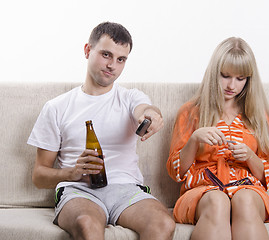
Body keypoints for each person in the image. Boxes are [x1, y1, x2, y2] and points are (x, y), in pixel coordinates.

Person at [28, 22, 175, 240]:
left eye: (121, 59)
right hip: (77, 190)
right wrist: (72, 173)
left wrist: (151, 115)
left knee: (163, 223)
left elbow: (144, 109)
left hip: (126, 189)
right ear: (88, 50)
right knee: (86, 224)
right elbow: (39, 176)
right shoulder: (56, 107)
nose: (112, 65)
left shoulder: (130, 98)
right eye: (106, 54)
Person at [167, 37, 269, 240]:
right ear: (214, 73)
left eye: (241, 79)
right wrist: (194, 140)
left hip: (247, 187)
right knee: (217, 201)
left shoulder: (259, 116)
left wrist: (250, 156)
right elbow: (176, 171)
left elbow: (268, 174)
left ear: (249, 80)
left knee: (245, 200)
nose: (232, 85)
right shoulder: (190, 112)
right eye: (225, 76)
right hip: (203, 189)